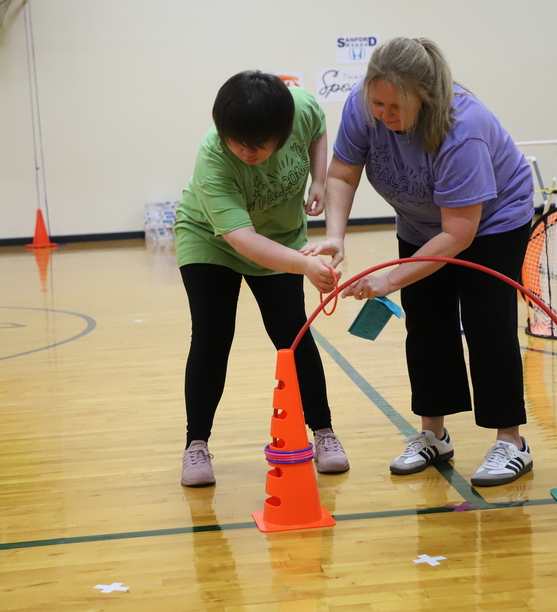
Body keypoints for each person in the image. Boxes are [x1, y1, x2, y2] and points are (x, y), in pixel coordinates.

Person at [302, 37, 534, 487]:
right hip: (421, 221)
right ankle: (434, 434)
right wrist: (334, 236)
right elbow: (344, 172)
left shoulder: (462, 128)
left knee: (488, 323)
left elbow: (459, 233)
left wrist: (391, 279)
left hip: (491, 223)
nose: (384, 116)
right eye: (378, 103)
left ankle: (512, 441)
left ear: (425, 100)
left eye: (396, 107)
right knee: (426, 323)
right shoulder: (362, 107)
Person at [173, 70, 349, 487]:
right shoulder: (213, 157)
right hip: (211, 241)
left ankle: (323, 432)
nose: (245, 152)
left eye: (258, 145)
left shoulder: (299, 107)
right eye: (237, 143)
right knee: (212, 334)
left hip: (282, 236)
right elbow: (243, 240)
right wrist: (304, 264)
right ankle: (195, 444)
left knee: (292, 333)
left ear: (282, 132)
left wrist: (320, 179)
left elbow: (320, 127)